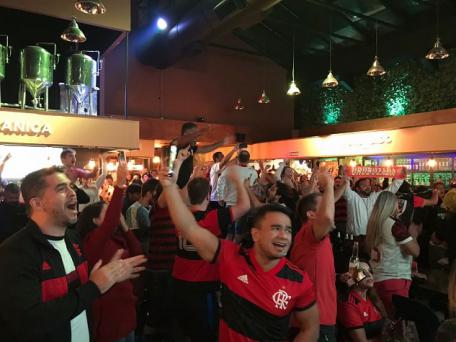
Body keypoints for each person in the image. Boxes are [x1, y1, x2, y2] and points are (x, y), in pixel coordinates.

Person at [160, 170, 320, 341]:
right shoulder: (231, 257)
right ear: (255, 234)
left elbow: (310, 328)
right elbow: (189, 228)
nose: (283, 235)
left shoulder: (299, 281)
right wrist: (169, 187)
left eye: (288, 230)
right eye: (275, 228)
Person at [0, 166, 146, 342]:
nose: (73, 193)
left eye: (71, 186)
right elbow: (28, 322)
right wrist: (94, 286)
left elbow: (80, 301)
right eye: (62, 189)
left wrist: (108, 279)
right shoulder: (15, 252)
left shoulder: (74, 242)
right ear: (37, 203)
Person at [172, 165, 250, 341]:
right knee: (205, 333)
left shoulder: (179, 217)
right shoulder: (213, 218)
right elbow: (244, 206)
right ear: (208, 196)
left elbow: (178, 197)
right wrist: (238, 180)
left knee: (183, 330)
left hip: (178, 280)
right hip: (203, 285)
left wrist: (193, 177)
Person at [77, 161, 143, 342]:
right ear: (95, 221)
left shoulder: (115, 238)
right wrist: (120, 186)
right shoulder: (93, 242)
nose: (114, 215)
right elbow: (109, 223)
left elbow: (138, 253)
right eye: (107, 212)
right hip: (110, 314)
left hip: (126, 308)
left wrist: (125, 226)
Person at [290, 170, 338, 342]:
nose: (329, 205)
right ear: (311, 215)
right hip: (317, 318)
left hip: (315, 316)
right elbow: (326, 218)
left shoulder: (307, 236)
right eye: (323, 203)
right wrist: (329, 185)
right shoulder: (310, 233)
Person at [365, 191, 420, 318]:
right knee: (398, 324)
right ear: (392, 205)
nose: (399, 208)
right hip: (395, 280)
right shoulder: (395, 226)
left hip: (378, 278)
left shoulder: (373, 223)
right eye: (397, 204)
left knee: (387, 321)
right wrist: (414, 234)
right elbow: (415, 251)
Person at [174, 122, 233, 189]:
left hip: (182, 187)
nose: (196, 137)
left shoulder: (191, 147)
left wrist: (222, 143)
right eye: (194, 134)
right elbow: (180, 140)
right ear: (185, 134)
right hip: (173, 185)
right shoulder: (176, 144)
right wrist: (201, 132)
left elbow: (205, 149)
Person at [343, 173, 405, 237]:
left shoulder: (375, 197)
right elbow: (345, 188)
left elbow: (391, 189)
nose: (368, 187)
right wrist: (346, 174)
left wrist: (400, 176)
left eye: (369, 185)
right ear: (357, 189)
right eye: (364, 186)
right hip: (354, 238)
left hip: (372, 237)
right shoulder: (352, 197)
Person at [337, 262, 385, 342]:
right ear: (351, 279)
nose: (369, 275)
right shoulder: (349, 304)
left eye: (370, 271)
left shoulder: (374, 299)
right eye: (363, 272)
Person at [209, 145, 238, 209]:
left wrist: (238, 156)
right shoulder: (214, 167)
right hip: (215, 200)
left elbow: (229, 162)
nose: (224, 157)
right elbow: (225, 161)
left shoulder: (223, 167)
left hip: (222, 199)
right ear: (217, 159)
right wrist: (234, 150)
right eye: (222, 156)